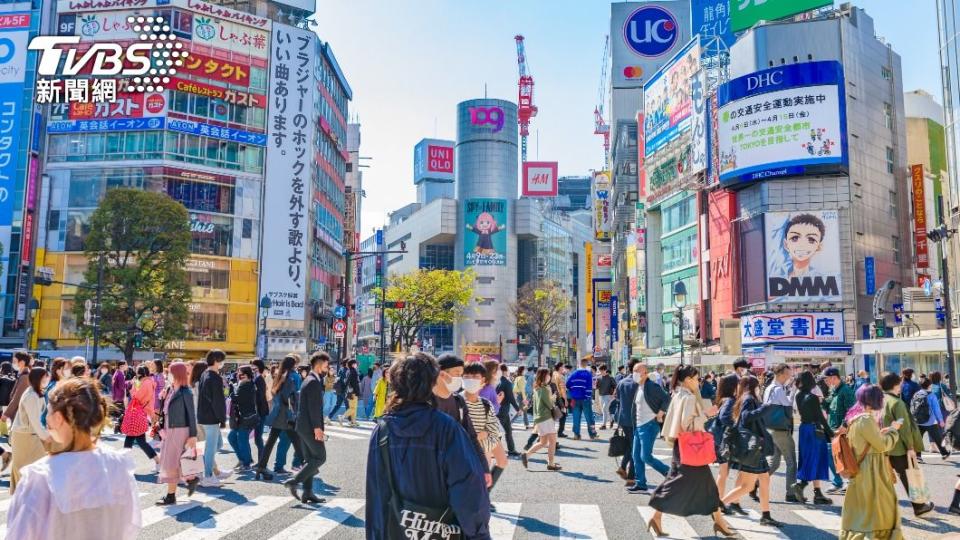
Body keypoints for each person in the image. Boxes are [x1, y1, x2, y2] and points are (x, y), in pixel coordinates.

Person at [365, 353, 490, 539]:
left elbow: (376, 494)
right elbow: (467, 490)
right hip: (441, 530)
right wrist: (480, 535)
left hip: (396, 531)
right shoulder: (446, 428)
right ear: (431, 383)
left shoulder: (382, 430)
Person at [5, 378, 141, 540]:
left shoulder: (41, 476)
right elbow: (129, 525)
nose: (45, 418)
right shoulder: (118, 465)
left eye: (47, 411)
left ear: (59, 417)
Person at [647, 365, 735, 537]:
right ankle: (656, 512)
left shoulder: (680, 394)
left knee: (700, 485)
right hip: (690, 448)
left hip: (682, 446)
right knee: (681, 483)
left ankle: (719, 522)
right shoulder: (688, 398)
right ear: (687, 380)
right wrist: (707, 414)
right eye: (695, 379)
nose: (698, 382)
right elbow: (688, 425)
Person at [839, 385, 903, 539]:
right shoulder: (866, 419)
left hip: (861, 469)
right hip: (872, 471)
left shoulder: (855, 419)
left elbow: (866, 442)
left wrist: (880, 433)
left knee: (864, 511)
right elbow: (881, 446)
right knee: (880, 510)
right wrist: (894, 430)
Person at [720, 376, 784, 527]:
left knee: (764, 479)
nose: (760, 388)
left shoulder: (745, 398)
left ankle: (766, 515)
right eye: (758, 386)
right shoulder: (748, 398)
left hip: (754, 447)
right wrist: (765, 408)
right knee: (748, 486)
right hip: (753, 447)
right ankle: (718, 504)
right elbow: (746, 417)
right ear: (753, 386)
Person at [879, 371, 934, 517]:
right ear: (895, 385)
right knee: (908, 476)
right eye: (899, 384)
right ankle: (919, 506)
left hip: (884, 446)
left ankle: (890, 508)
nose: (901, 386)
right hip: (899, 447)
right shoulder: (897, 403)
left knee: (886, 478)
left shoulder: (880, 400)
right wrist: (910, 447)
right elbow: (904, 428)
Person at [432, 355, 491, 485]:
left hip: (454, 470)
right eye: (457, 373)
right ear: (441, 374)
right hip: (431, 471)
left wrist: (484, 468)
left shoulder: (458, 401)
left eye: (461, 374)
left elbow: (471, 437)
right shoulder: (426, 401)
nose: (459, 378)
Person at [286, 352, 330, 504]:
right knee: (320, 457)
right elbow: (313, 408)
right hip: (310, 427)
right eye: (326, 365)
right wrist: (318, 428)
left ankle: (308, 492)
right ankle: (294, 482)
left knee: (310, 459)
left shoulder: (310, 380)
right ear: (318, 365)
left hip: (303, 426)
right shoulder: (312, 382)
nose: (327, 368)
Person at [155, 361, 201, 505]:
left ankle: (171, 495)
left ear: (176, 374)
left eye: (169, 372)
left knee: (171, 463)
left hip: (180, 430)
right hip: (170, 429)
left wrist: (193, 435)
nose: (166, 374)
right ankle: (190, 479)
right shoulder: (170, 389)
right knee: (175, 461)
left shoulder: (185, 392)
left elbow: (192, 415)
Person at [255, 354, 301, 481]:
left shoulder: (280, 375)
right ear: (294, 365)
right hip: (287, 415)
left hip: (277, 414)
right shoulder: (292, 377)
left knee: (271, 442)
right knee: (297, 441)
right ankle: (307, 465)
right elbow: (291, 398)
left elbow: (276, 394)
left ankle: (261, 466)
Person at [463, 362, 508, 494]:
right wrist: (478, 435)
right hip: (465, 451)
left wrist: (483, 437)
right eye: (467, 376)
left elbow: (492, 431)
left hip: (483, 448)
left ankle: (484, 495)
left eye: (475, 376)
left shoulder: (485, 404)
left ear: (483, 379)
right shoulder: (457, 402)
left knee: (487, 470)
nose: (471, 379)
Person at [627, 362, 671, 495]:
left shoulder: (651, 386)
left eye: (636, 371)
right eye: (633, 370)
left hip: (649, 425)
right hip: (639, 426)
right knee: (636, 456)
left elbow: (667, 398)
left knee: (646, 456)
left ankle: (670, 474)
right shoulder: (639, 387)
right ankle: (641, 483)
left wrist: (661, 413)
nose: (634, 373)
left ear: (644, 372)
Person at [793, 370, 833, 505]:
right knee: (817, 459)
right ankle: (804, 487)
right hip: (815, 430)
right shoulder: (813, 397)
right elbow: (821, 418)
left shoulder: (798, 395)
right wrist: (831, 433)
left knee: (808, 458)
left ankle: (816, 491)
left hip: (804, 429)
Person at [9, 367, 51, 493]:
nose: (47, 379)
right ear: (39, 378)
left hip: (28, 434)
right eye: (45, 377)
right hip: (26, 436)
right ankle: (22, 496)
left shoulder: (35, 392)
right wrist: (46, 436)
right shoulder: (32, 395)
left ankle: (23, 495)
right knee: (27, 468)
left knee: (28, 468)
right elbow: (35, 420)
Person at [763, 363, 801, 502]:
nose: (789, 377)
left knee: (775, 462)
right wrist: (794, 390)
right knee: (791, 461)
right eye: (787, 374)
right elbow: (789, 408)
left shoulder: (769, 388)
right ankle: (790, 493)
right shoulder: (778, 389)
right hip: (780, 430)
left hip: (770, 428)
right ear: (780, 374)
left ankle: (755, 484)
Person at [197, 349, 229, 487]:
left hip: (204, 415)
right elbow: (218, 401)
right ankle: (207, 475)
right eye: (222, 360)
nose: (222, 363)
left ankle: (206, 471)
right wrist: (222, 418)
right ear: (216, 361)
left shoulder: (205, 374)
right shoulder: (214, 377)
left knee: (216, 445)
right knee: (211, 447)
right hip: (211, 417)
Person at [822, 366, 855, 494]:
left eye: (826, 379)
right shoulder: (834, 390)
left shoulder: (846, 391)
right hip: (833, 430)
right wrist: (820, 400)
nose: (825, 381)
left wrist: (844, 426)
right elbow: (828, 405)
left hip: (843, 431)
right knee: (831, 455)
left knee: (846, 456)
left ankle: (848, 482)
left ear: (834, 378)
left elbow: (851, 411)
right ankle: (837, 482)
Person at [521, 367, 560, 472]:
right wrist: (553, 397)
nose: (549, 377)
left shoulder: (537, 388)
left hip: (539, 418)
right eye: (548, 375)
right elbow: (549, 404)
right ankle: (551, 464)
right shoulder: (545, 388)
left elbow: (536, 405)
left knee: (543, 442)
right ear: (543, 376)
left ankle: (526, 455)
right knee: (552, 440)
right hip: (546, 417)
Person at [122, 366, 160, 471]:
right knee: (136, 439)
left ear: (140, 374)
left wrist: (133, 386)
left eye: (137, 373)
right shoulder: (148, 382)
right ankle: (157, 461)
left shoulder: (146, 383)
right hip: (142, 412)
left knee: (136, 439)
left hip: (139, 413)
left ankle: (124, 463)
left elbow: (137, 396)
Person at [712, 374, 741, 515]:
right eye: (738, 383)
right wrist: (736, 425)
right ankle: (718, 503)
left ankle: (721, 502)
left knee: (723, 473)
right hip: (723, 442)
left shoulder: (724, 399)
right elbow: (724, 417)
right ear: (733, 386)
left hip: (720, 441)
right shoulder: (729, 400)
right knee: (723, 473)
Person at [227, 366, 258, 471]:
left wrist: (231, 390)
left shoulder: (247, 385)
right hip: (242, 417)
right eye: (237, 374)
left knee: (241, 439)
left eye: (240, 374)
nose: (238, 376)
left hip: (246, 417)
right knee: (232, 437)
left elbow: (237, 399)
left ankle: (246, 463)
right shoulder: (246, 384)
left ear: (246, 375)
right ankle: (244, 459)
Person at [614, 360, 640, 486]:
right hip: (636, 419)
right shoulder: (639, 383)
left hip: (623, 418)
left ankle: (623, 467)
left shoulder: (622, 382)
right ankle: (631, 477)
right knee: (635, 447)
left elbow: (617, 398)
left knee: (631, 445)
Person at [914, 377, 951, 459]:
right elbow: (936, 409)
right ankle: (944, 453)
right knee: (938, 438)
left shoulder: (917, 394)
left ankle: (918, 456)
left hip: (918, 421)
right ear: (930, 385)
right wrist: (941, 420)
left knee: (918, 439)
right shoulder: (931, 395)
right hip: (930, 421)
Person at [565, 359, 599, 440]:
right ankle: (592, 434)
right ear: (587, 365)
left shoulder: (573, 374)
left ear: (579, 364)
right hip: (585, 399)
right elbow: (589, 387)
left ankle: (576, 435)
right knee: (589, 418)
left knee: (576, 417)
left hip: (575, 399)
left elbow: (567, 384)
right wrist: (587, 396)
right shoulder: (588, 374)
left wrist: (573, 391)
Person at [2, 351, 34, 426]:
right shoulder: (24, 375)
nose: (13, 364)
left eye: (14, 361)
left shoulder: (24, 377)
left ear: (22, 362)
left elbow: (18, 397)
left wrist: (6, 414)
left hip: (19, 414)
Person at [496, 363, 521, 456]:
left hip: (500, 409)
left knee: (507, 430)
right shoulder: (507, 383)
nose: (509, 372)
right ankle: (494, 450)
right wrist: (518, 409)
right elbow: (511, 398)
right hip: (503, 410)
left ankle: (511, 449)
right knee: (498, 432)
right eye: (508, 370)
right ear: (505, 371)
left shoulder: (498, 381)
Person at [250, 359, 270, 464]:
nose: (252, 369)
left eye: (254, 367)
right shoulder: (257, 378)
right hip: (259, 412)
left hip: (260, 412)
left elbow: (260, 397)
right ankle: (259, 461)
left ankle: (261, 462)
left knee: (258, 438)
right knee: (257, 438)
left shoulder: (259, 379)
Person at [339, 359, 361, 427]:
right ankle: (342, 417)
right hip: (353, 392)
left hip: (349, 392)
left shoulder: (349, 371)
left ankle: (353, 421)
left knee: (353, 408)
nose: (356, 365)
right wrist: (358, 392)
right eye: (355, 363)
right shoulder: (353, 371)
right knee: (353, 408)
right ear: (353, 364)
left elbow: (347, 382)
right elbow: (355, 384)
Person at [597, 365, 616, 429]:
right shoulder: (599, 378)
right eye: (600, 370)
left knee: (605, 409)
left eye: (602, 370)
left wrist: (613, 394)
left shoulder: (610, 378)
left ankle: (604, 425)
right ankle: (611, 419)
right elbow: (596, 387)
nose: (601, 372)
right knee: (604, 410)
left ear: (605, 370)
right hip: (601, 395)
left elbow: (615, 386)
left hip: (609, 395)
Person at [552, 363, 569, 437]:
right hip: (560, 398)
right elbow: (562, 389)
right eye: (562, 367)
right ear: (559, 367)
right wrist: (565, 400)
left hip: (553, 397)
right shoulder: (560, 376)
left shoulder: (553, 374)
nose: (563, 368)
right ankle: (560, 432)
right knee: (563, 415)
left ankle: (549, 433)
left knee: (553, 415)